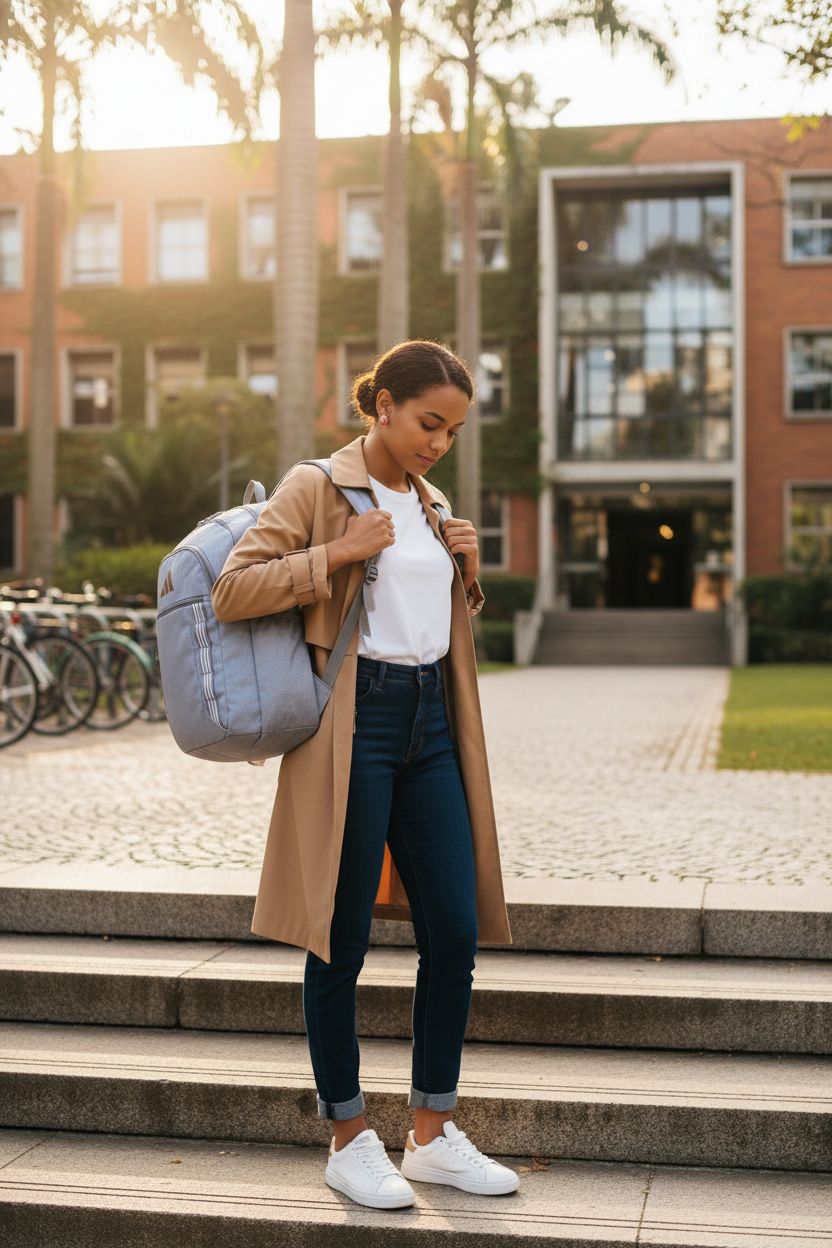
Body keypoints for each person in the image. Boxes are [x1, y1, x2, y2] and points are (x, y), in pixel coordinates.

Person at [211, 338, 517, 1211]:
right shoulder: (316, 487)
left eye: (452, 432)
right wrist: (340, 553)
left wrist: (467, 569)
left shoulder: (432, 500)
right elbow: (236, 590)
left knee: (454, 930)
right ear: (381, 404)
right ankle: (348, 1136)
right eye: (429, 423)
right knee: (339, 936)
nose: (438, 444)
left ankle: (431, 1132)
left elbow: (431, 618)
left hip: (431, 725)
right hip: (356, 722)